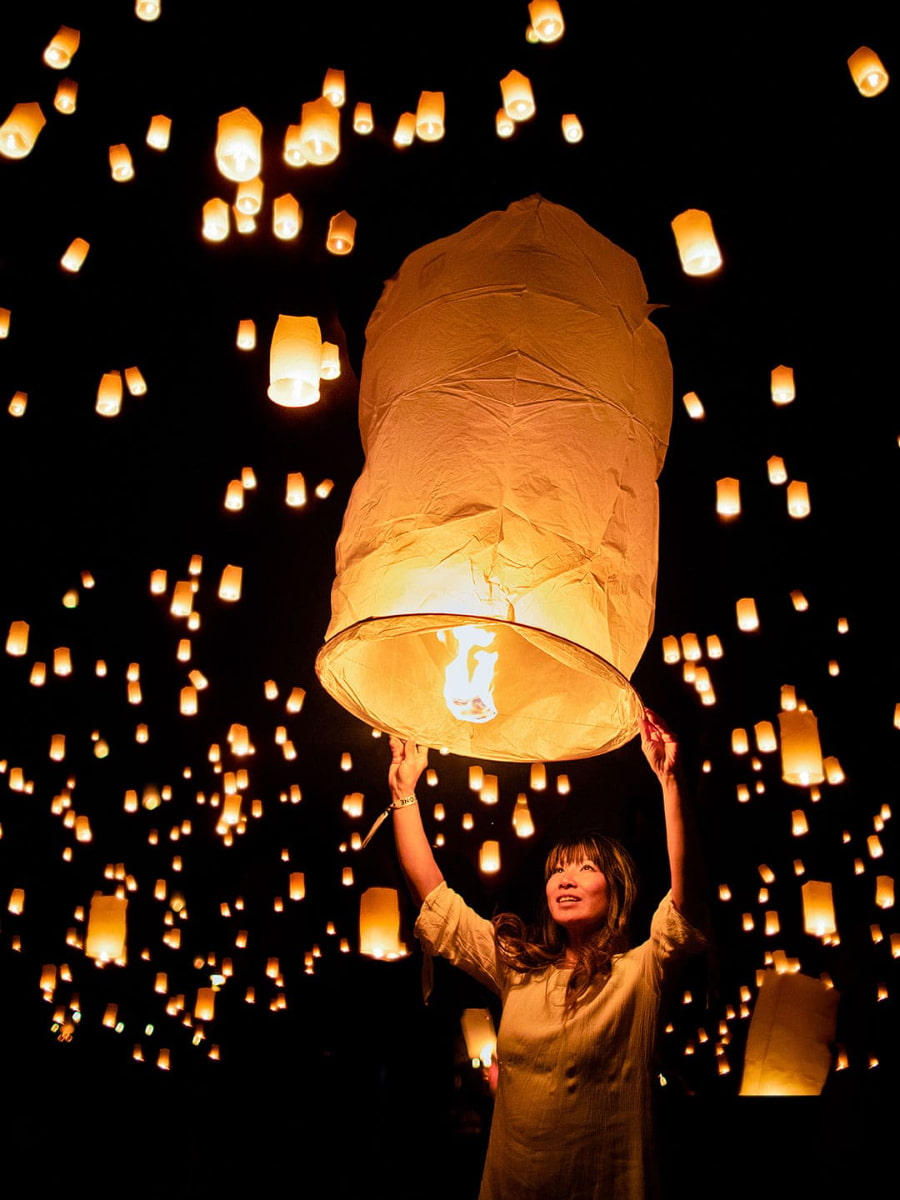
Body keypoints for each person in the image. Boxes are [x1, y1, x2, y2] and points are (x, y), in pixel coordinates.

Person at [388, 709, 707, 1200]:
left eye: (585, 868)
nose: (566, 877)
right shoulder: (518, 972)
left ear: (615, 891)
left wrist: (670, 781)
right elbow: (435, 899)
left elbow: (687, 898)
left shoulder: (641, 973)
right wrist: (404, 794)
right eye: (559, 869)